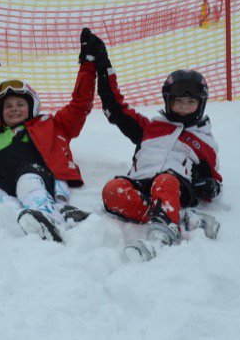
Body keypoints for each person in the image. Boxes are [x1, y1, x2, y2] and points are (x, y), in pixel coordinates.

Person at [93, 31, 222, 261]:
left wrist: (209, 185)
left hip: (174, 185)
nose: (184, 107)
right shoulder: (151, 127)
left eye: (190, 102)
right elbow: (116, 108)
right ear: (168, 102)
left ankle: (161, 237)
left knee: (165, 181)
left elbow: (215, 179)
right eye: (178, 101)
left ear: (201, 104)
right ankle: (178, 220)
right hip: (141, 182)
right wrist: (103, 65)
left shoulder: (204, 140)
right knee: (112, 190)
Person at [0, 28, 98, 243]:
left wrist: (89, 65)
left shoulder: (52, 126)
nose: (14, 109)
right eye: (8, 106)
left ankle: (49, 218)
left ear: (32, 107)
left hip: (32, 174)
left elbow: (80, 104)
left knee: (29, 186)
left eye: (20, 104)